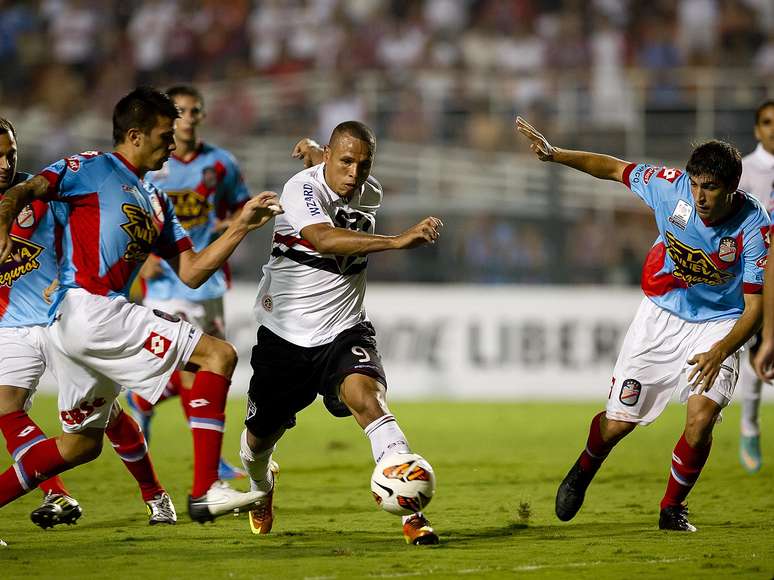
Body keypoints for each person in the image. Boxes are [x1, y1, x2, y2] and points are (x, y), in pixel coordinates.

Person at [0, 87, 282, 523]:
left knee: (83, 445)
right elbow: (26, 189)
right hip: (90, 309)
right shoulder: (91, 168)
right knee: (218, 355)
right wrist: (4, 222)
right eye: (164, 135)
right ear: (134, 135)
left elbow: (190, 271)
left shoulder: (156, 200)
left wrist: (240, 226)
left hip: (77, 326)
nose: (172, 144)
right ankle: (205, 488)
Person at [516, 116, 768, 532]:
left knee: (701, 418)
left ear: (732, 189)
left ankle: (672, 508)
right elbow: (614, 168)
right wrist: (556, 154)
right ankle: (586, 464)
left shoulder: (753, 225)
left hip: (719, 323)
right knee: (618, 423)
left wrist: (722, 350)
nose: (701, 196)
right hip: (662, 313)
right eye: (696, 184)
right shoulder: (669, 187)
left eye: (712, 188)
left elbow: (755, 305)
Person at [239, 122, 444, 545]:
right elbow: (324, 239)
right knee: (259, 440)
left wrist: (319, 150)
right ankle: (261, 486)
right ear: (331, 156)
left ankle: (411, 510)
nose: (354, 173)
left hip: (344, 330)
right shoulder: (299, 189)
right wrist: (397, 241)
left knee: (367, 400)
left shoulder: (368, 191)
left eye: (363, 165)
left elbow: (337, 174)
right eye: (345, 161)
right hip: (285, 337)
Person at [0, 117, 176, 527]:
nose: (5, 164)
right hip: (11, 324)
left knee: (104, 416)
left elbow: (88, 232)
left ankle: (155, 495)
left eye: (10, 154)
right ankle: (56, 495)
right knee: (6, 407)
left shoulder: (42, 192)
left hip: (63, 316)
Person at [125, 85, 249, 481]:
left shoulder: (221, 164)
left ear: (203, 115)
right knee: (197, 367)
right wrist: (141, 259)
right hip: (165, 281)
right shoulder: (150, 163)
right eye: (181, 111)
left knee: (207, 371)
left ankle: (144, 399)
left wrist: (231, 224)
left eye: (196, 111)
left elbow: (241, 209)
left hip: (208, 282)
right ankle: (208, 469)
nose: (189, 118)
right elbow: (129, 214)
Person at [737, 99, 774, 473]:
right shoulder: (745, 171)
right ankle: (750, 423)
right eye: (767, 122)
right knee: (758, 352)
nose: (773, 128)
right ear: (756, 129)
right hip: (757, 277)